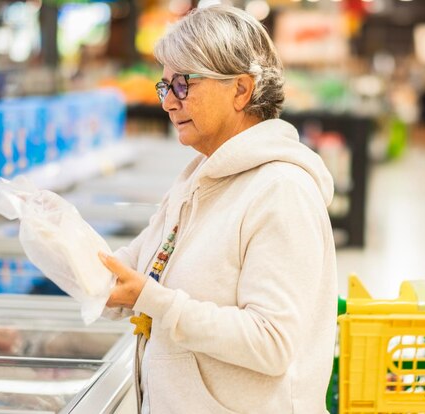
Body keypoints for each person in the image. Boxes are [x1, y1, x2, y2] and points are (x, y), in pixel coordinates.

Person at [97, 5, 337, 414]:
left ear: (241, 90)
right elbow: (136, 267)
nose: (168, 103)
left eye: (183, 84)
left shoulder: (282, 191)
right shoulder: (199, 178)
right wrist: (58, 240)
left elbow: (271, 342)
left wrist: (155, 301)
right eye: (165, 86)